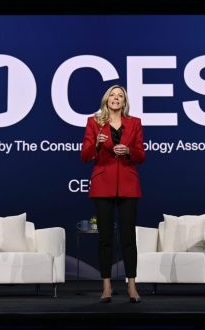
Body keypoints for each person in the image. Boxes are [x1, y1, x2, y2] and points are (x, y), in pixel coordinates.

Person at [80, 85, 145, 303]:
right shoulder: (94, 122)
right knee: (105, 238)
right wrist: (97, 146)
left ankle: (132, 286)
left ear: (124, 102)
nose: (116, 98)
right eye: (113, 95)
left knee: (128, 238)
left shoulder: (135, 123)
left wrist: (129, 151)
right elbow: (84, 156)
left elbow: (141, 155)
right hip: (103, 183)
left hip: (128, 183)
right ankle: (106, 286)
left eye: (120, 96)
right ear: (106, 100)